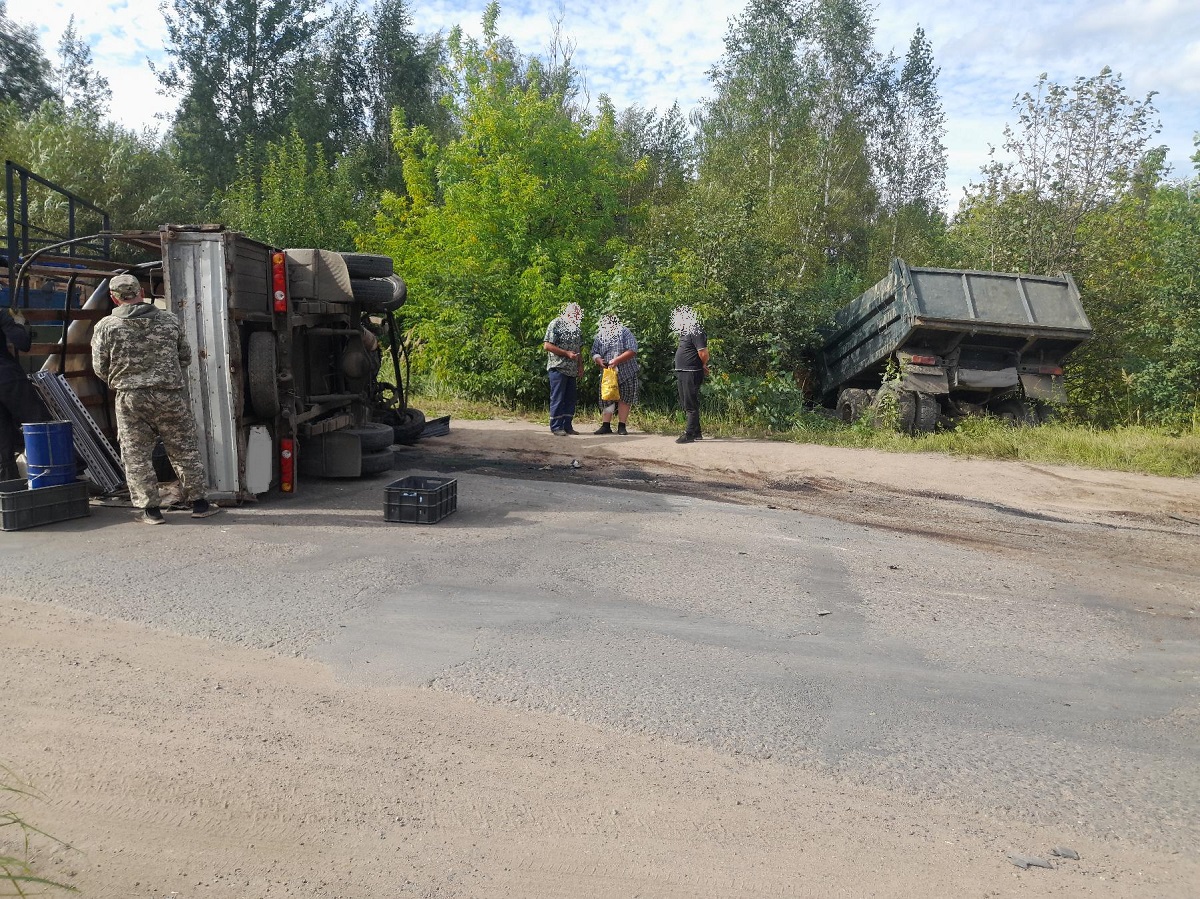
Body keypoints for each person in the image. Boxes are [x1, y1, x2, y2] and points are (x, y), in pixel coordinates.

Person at [91, 273, 220, 524]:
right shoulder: (169, 320)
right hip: (169, 395)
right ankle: (200, 504)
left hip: (130, 399)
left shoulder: (105, 326)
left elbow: (99, 366)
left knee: (136, 454)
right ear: (141, 292)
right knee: (183, 449)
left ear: (114, 298)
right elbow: (185, 356)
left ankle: (151, 511)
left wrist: (124, 380)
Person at [0, 307, 51, 480]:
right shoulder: (2, 313)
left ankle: (9, 487)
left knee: (2, 442)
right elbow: (23, 343)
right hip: (8, 379)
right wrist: (20, 324)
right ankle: (65, 471)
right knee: (40, 425)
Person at [590, 314, 639, 435]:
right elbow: (594, 352)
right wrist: (598, 360)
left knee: (625, 398)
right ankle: (606, 425)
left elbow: (632, 350)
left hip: (626, 371)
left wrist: (617, 360)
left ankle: (622, 426)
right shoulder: (600, 335)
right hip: (608, 373)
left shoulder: (625, 332)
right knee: (607, 397)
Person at [542, 302, 584, 435]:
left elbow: (579, 349)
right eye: (575, 314)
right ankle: (556, 427)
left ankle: (567, 426)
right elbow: (547, 345)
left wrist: (580, 366)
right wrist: (566, 353)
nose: (577, 316)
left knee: (570, 399)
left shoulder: (577, 328)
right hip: (558, 367)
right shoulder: (556, 324)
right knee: (558, 398)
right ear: (568, 313)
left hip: (571, 370)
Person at [671, 306, 710, 443]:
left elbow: (703, 353)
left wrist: (703, 364)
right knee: (686, 401)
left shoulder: (695, 329)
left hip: (691, 371)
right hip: (683, 371)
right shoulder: (685, 331)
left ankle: (689, 434)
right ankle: (697, 432)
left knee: (690, 403)